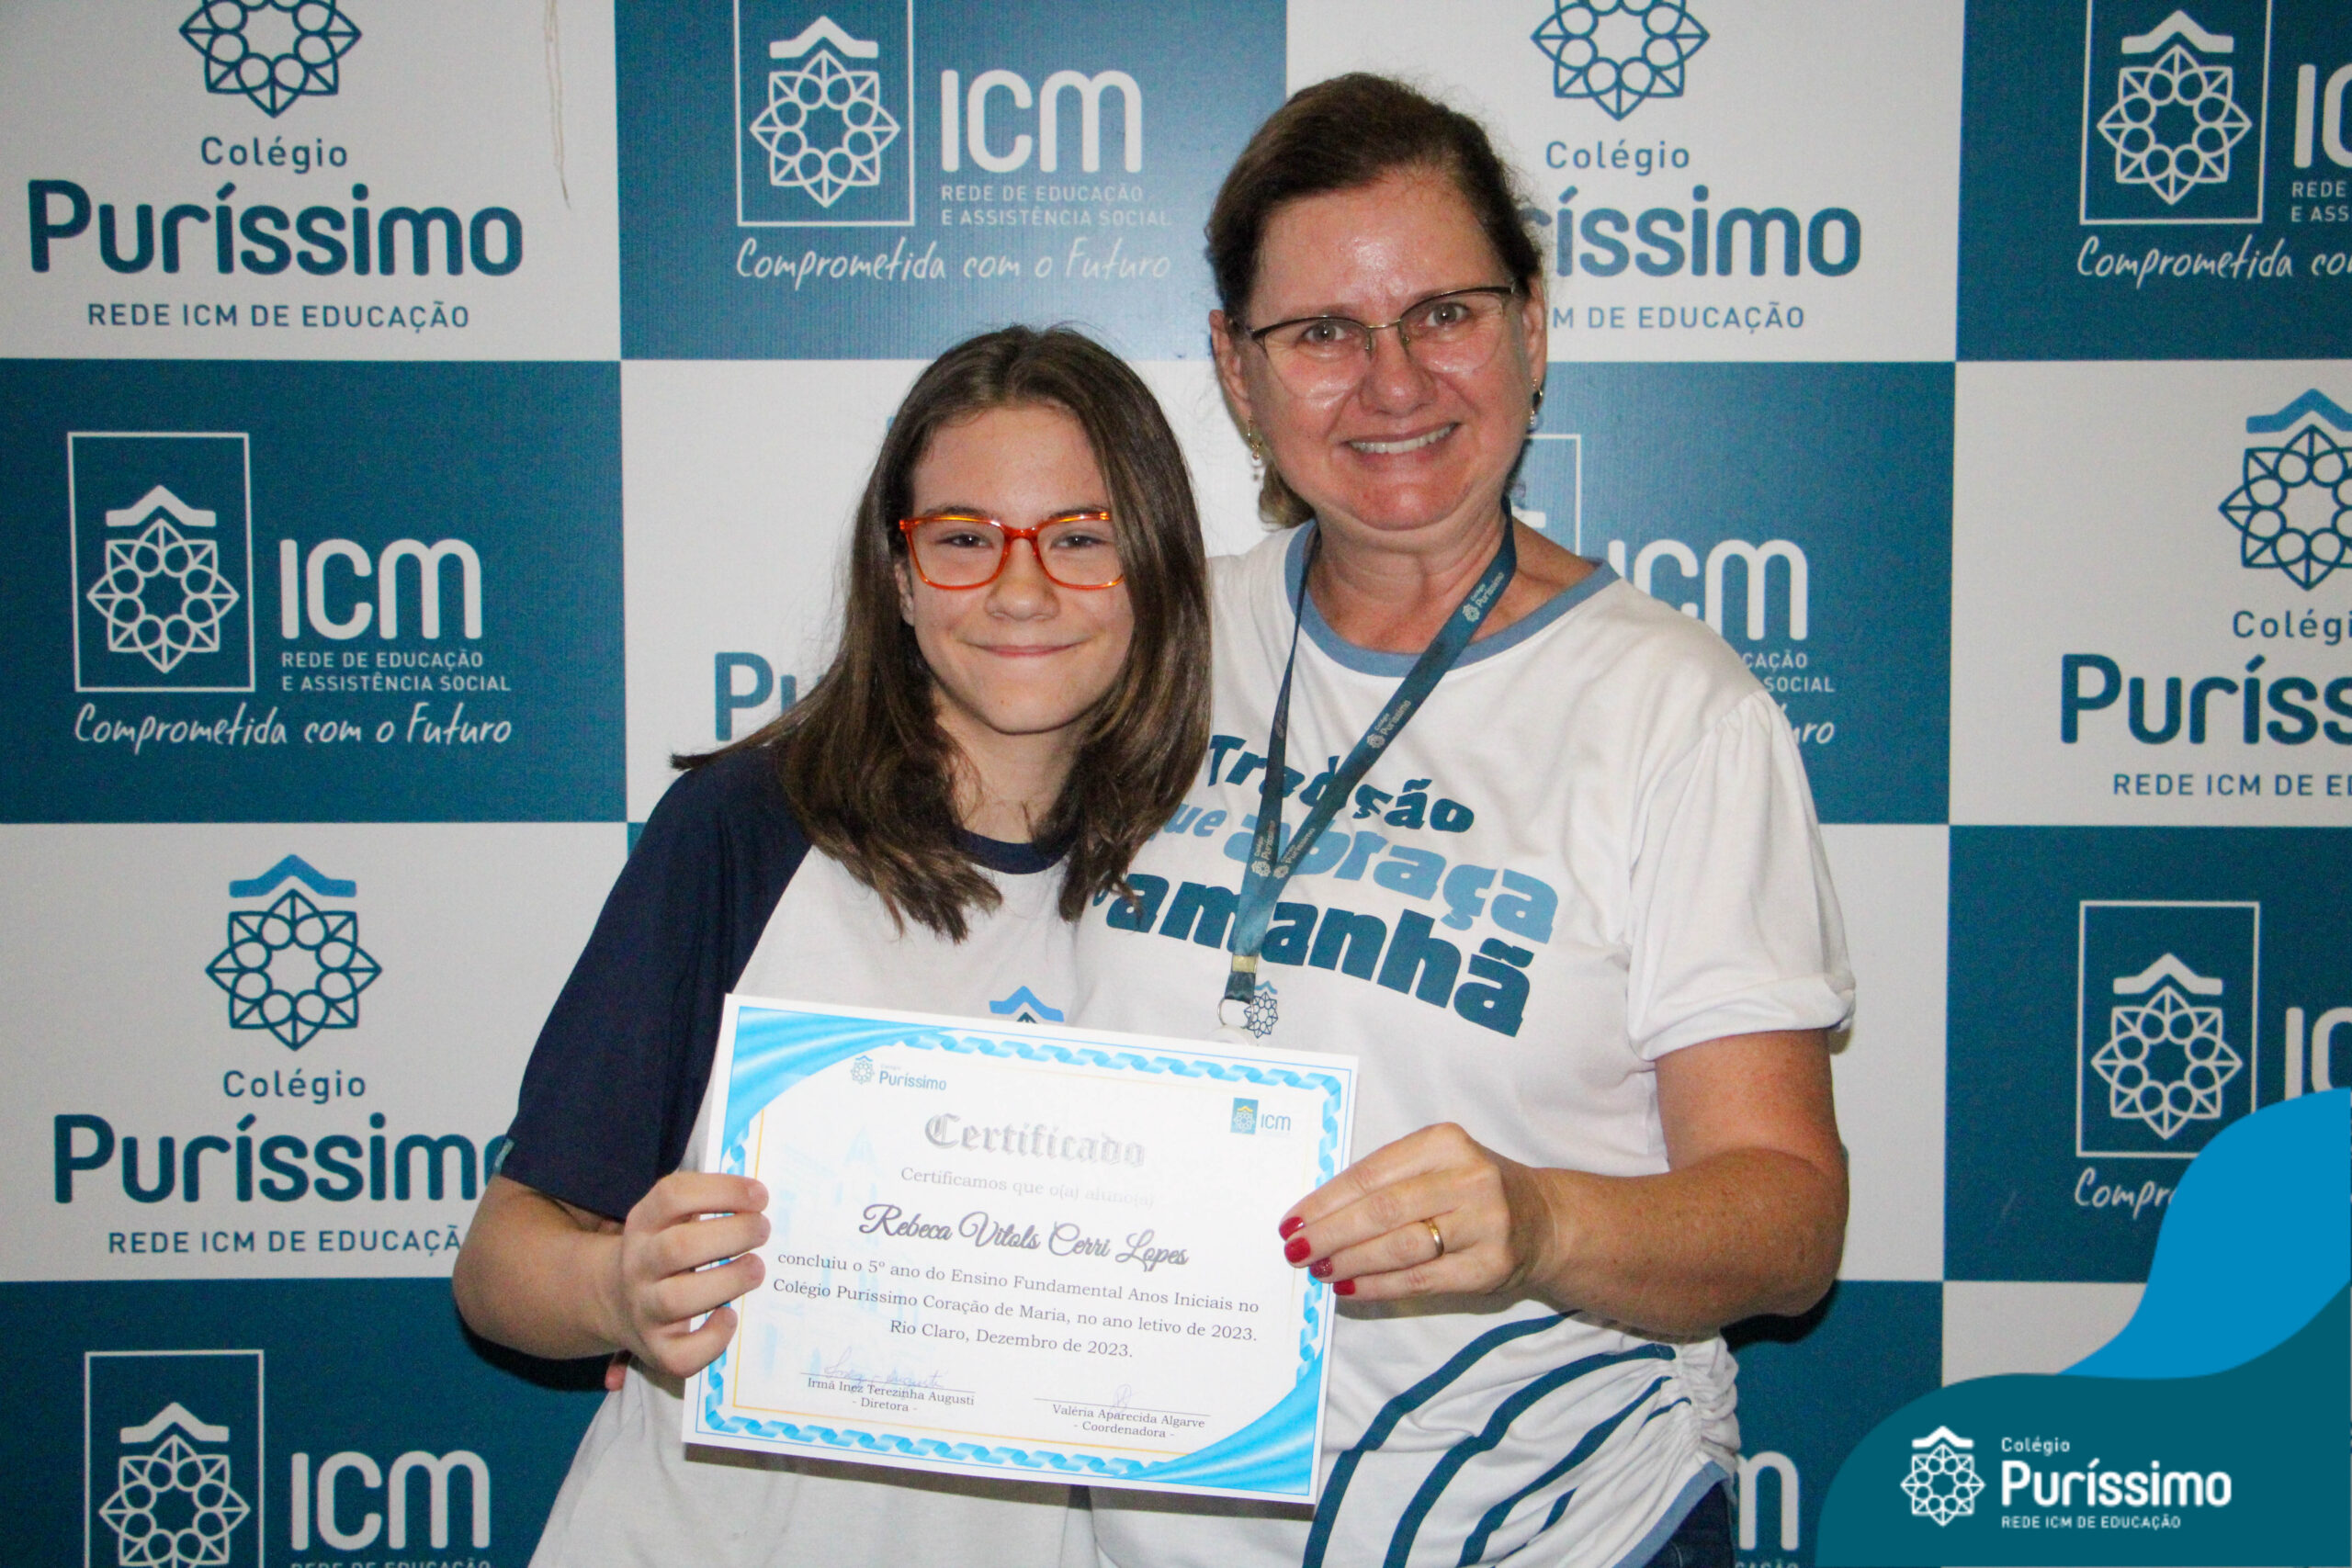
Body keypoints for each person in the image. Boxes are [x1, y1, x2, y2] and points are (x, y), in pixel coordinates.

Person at [1066, 75, 1853, 1568]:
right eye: (1322, 333)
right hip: (1168, 1528)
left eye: (1444, 313)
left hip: (1551, 1527)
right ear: (1236, 369)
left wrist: (1541, 1225)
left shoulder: (1675, 711)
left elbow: (1790, 1224)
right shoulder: (1146, 645)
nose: (1394, 382)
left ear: (1531, 327)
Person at [452, 325, 1210, 1567]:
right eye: (963, 538)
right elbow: (500, 1267)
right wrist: (622, 1293)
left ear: (1160, 568)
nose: (1022, 590)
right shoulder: (747, 828)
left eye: (1082, 538)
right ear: (899, 576)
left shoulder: (1210, 880)